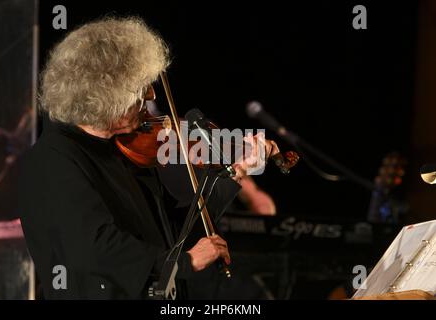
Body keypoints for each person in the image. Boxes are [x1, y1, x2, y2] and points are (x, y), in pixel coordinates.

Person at [18, 17, 281, 299]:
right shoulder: (52, 160)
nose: (151, 94)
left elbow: (172, 232)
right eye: (139, 89)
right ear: (104, 99)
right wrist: (183, 263)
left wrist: (235, 171)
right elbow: (94, 247)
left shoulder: (120, 149)